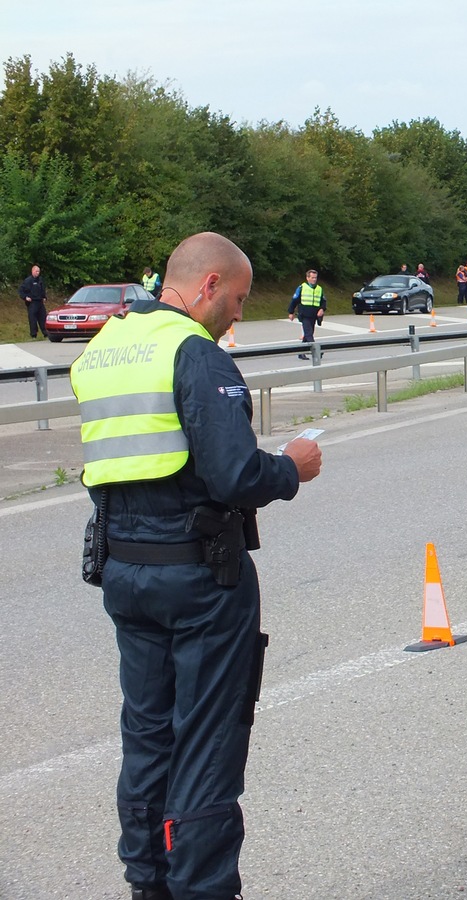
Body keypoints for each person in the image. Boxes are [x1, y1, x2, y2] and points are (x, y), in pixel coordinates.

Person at [69, 231, 323, 900]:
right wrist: (291, 469)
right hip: (201, 578)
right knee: (208, 743)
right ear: (207, 286)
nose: (239, 313)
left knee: (148, 739)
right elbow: (235, 474)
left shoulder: (106, 351)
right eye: (236, 299)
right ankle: (203, 888)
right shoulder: (195, 355)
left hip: (126, 572)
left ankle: (149, 883)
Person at [287, 269, 326, 359]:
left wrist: (322, 309)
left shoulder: (319, 289)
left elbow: (323, 301)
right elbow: (295, 300)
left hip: (314, 315)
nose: (314, 279)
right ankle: (317, 351)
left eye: (315, 278)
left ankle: (301, 353)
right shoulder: (302, 287)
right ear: (307, 278)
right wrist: (291, 312)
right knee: (309, 334)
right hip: (304, 314)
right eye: (312, 278)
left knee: (308, 334)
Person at [19, 264, 48, 339]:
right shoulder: (28, 281)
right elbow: (21, 291)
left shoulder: (40, 280)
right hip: (32, 303)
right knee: (33, 319)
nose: (38, 273)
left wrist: (44, 297)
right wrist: (25, 297)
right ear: (32, 271)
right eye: (36, 271)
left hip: (40, 302)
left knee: (43, 317)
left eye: (39, 271)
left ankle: (46, 333)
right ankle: (33, 335)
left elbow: (43, 290)